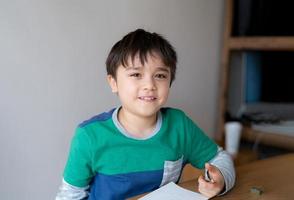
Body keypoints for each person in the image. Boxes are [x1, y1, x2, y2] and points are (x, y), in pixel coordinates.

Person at [56, 29, 235, 200]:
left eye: (160, 76)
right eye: (136, 74)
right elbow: (69, 195)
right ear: (113, 83)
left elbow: (220, 158)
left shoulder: (180, 126)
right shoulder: (89, 136)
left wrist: (220, 180)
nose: (149, 85)